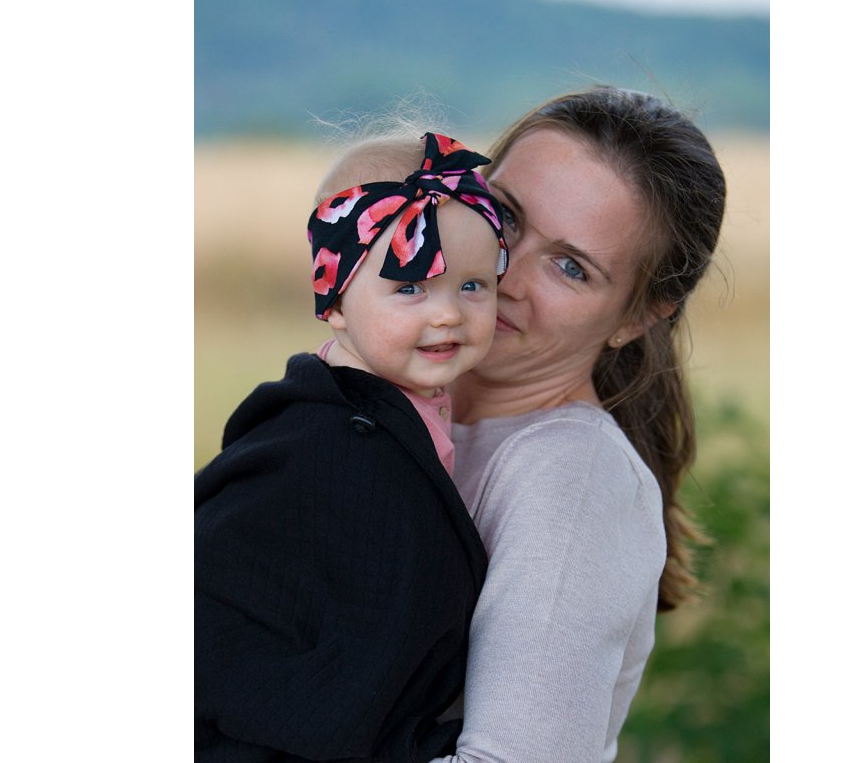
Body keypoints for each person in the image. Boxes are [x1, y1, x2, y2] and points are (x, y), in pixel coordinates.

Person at [427, 86, 728, 762]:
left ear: (637, 317)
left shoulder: (572, 474)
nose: (504, 274)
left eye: (570, 267)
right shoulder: (387, 394)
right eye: (505, 216)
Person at [194, 132, 507, 762]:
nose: (448, 314)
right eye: (410, 287)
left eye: (473, 285)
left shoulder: (390, 412)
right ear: (334, 300)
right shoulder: (331, 450)